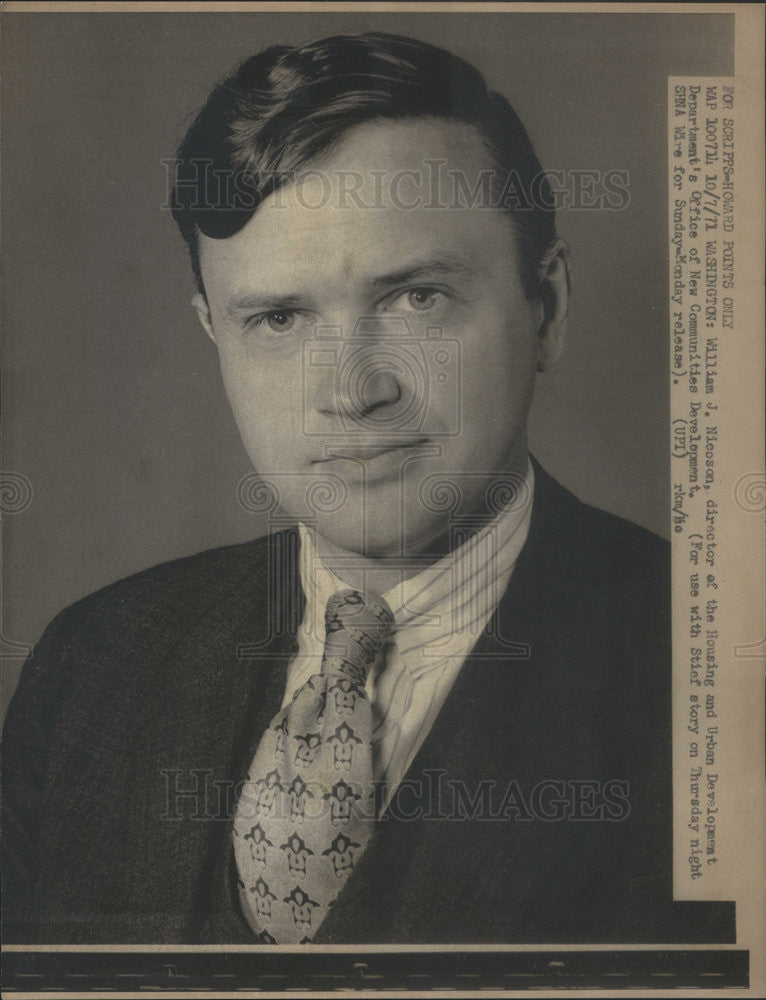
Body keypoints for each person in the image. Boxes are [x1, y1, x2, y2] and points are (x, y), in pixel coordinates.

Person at [2, 32, 733, 944]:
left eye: (416, 299)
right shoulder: (93, 666)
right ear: (214, 336)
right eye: (277, 318)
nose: (351, 392)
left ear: (545, 308)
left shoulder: (724, 680)